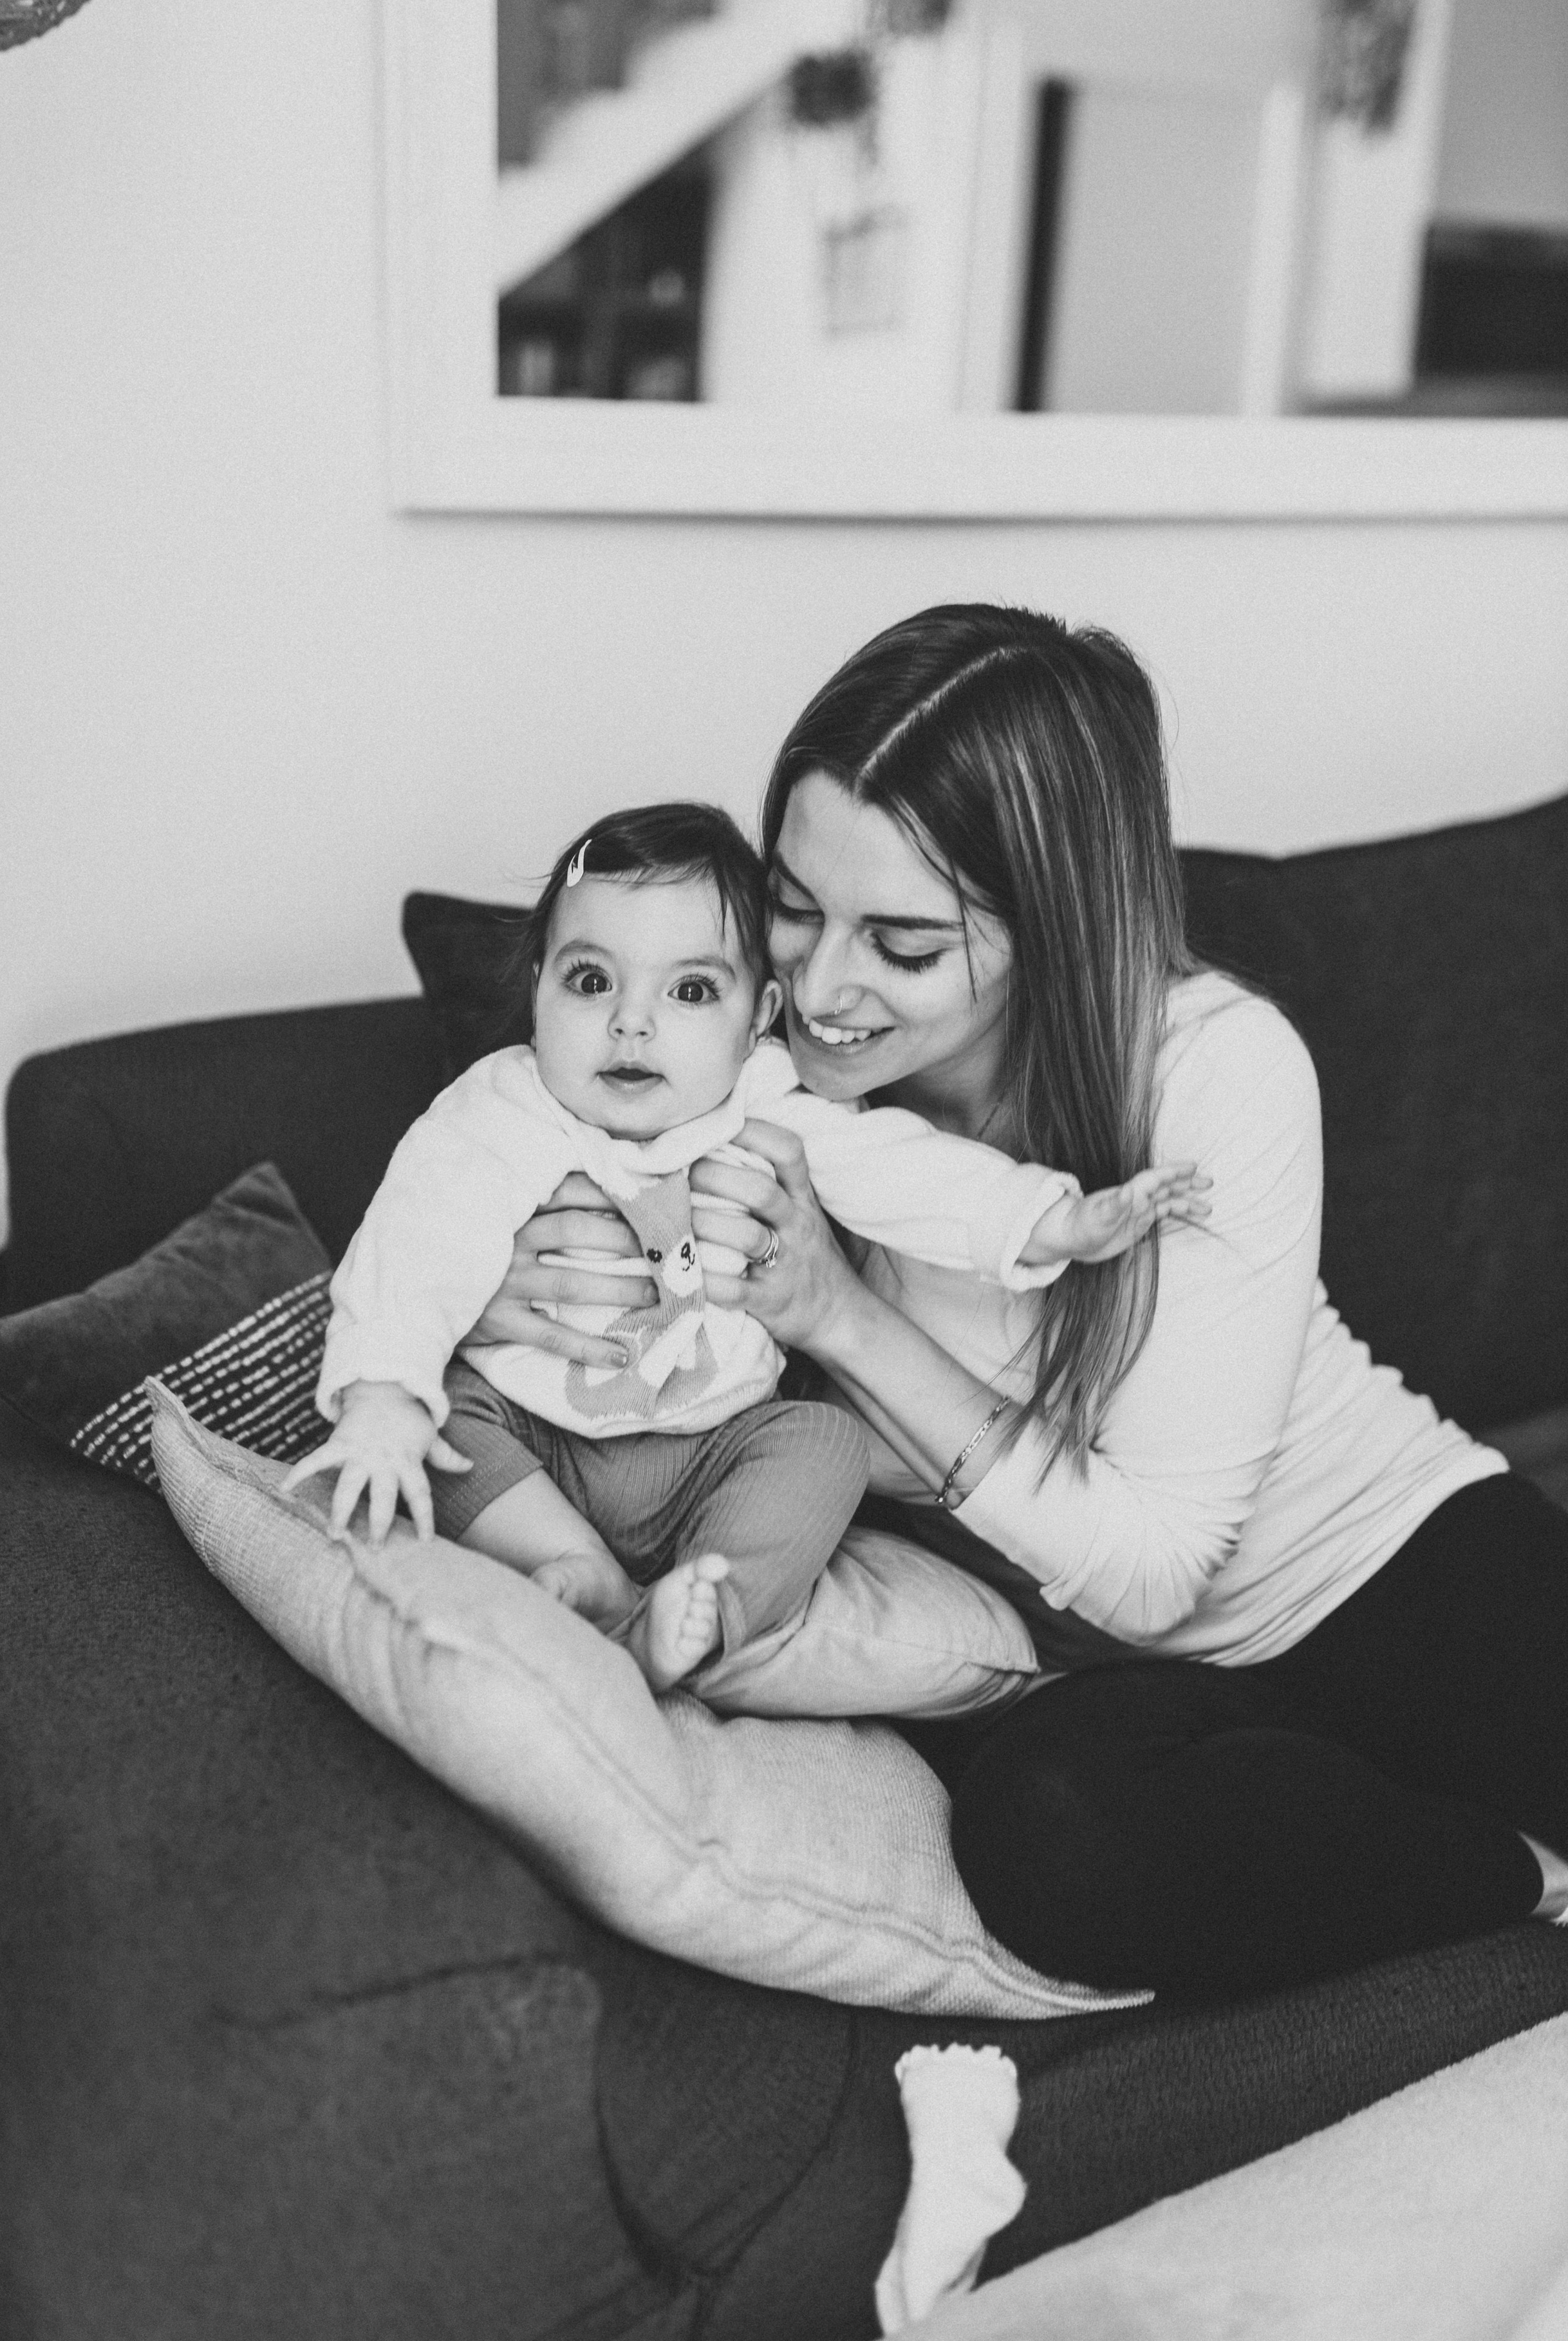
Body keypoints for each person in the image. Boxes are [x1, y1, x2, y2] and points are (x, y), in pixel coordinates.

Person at [463, 604, 1568, 2001]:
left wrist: (843, 1320)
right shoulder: (739, 1056)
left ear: (1047, 926)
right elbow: (537, 1197)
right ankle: (1508, 1875)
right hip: (1097, 1672)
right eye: (795, 906)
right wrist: (516, 1284)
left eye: (903, 945)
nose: (817, 987)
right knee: (1052, 1837)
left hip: (1386, 1572)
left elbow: (1164, 1566)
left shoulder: (1213, 1071)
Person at [292, 800, 1201, 1695]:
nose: (631, 1023)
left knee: (826, 1445)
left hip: (710, 1451)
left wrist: (1050, 1220)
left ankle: (700, 1612)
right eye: (589, 980)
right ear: (537, 984)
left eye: (689, 991)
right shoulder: (506, 1110)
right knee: (442, 1409)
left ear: (758, 1013)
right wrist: (378, 1397)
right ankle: (573, 1570)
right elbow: (417, 1235)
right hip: (542, 1442)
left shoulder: (763, 1101)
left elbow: (907, 1175)